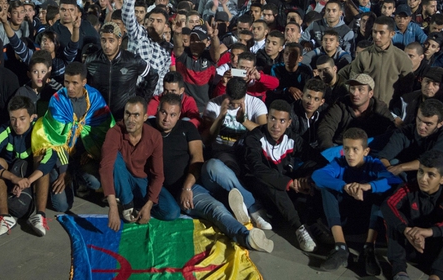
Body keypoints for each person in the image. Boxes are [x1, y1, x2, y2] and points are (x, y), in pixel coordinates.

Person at [150, 93, 274, 252]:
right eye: (164, 113)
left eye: (173, 114)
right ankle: (247, 237)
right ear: (158, 110)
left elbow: (197, 157)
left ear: (179, 115)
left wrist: (187, 186)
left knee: (214, 165)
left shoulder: (186, 128)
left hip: (194, 183)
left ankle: (251, 206)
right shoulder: (148, 127)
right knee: (216, 209)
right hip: (176, 192)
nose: (167, 118)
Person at [30, 62, 115, 233]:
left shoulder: (95, 98)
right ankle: (57, 180)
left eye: (75, 83)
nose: (69, 87)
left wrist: (92, 154)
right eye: (67, 82)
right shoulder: (58, 101)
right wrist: (63, 172)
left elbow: (105, 130)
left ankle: (77, 180)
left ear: (84, 82)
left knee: (96, 181)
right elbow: (56, 141)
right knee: (62, 205)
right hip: (58, 159)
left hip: (83, 156)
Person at [312, 128, 402, 274]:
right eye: (346, 149)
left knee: (382, 193)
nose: (350, 154)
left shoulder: (374, 164)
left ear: (365, 151)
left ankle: (369, 248)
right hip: (343, 216)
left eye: (355, 149)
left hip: (366, 219)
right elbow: (317, 175)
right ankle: (340, 247)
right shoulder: (339, 163)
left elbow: (394, 181)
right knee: (326, 188)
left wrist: (368, 186)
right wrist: (345, 187)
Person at [0, 96, 62, 239]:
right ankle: (4, 217)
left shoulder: (41, 130)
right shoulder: (5, 129)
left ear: (32, 117)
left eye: (22, 118)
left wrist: (28, 181)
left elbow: (51, 158)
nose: (17, 124)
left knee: (42, 157)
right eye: (13, 119)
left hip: (33, 175)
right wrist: (13, 178)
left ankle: (40, 216)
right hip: (14, 174)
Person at [242, 99, 317, 252]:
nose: (276, 125)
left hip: (285, 182)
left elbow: (314, 158)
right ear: (267, 118)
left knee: (315, 171)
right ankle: (299, 228)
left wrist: (306, 179)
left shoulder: (292, 138)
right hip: (260, 186)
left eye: (282, 121)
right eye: (273, 119)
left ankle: (320, 223)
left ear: (289, 123)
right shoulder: (255, 137)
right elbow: (257, 169)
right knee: (271, 182)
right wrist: (289, 183)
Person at [382, 150, 443, 280]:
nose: (423, 179)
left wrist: (429, 232)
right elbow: (388, 205)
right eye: (421, 172)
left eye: (431, 175)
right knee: (393, 217)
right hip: (410, 244)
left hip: (434, 251)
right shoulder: (408, 188)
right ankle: (399, 272)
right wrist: (406, 230)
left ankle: (436, 275)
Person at [101, 97, 180, 232]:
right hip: (121, 177)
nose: (131, 119)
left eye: (136, 115)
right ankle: (126, 204)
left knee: (172, 212)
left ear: (145, 117)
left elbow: (158, 175)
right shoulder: (114, 133)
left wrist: (149, 205)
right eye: (128, 114)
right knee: (114, 159)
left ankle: (138, 205)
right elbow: (106, 169)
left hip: (141, 181)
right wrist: (112, 207)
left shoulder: (154, 136)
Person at [86, 22, 158, 120]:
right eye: (103, 40)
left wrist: (142, 100)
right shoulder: (91, 61)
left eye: (111, 40)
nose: (107, 45)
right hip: (99, 117)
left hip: (124, 117)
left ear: (119, 41)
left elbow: (153, 76)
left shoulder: (132, 60)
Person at [338, 16, 413, 105]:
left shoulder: (402, 59)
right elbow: (353, 84)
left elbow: (406, 91)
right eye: (374, 32)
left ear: (392, 34)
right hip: (365, 109)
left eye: (381, 33)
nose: (377, 36)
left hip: (390, 111)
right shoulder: (363, 56)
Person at [376, 99, 443, 180]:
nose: (421, 126)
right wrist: (389, 170)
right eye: (419, 119)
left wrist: (402, 167)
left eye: (428, 123)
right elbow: (383, 156)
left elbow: (434, 161)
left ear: (440, 124)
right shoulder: (405, 131)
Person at [315, 74, 395, 151]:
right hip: (341, 147)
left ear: (370, 93)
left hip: (369, 148)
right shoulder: (340, 105)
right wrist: (330, 151)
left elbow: (391, 131)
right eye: (352, 88)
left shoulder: (379, 108)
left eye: (361, 89)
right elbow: (326, 128)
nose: (355, 93)